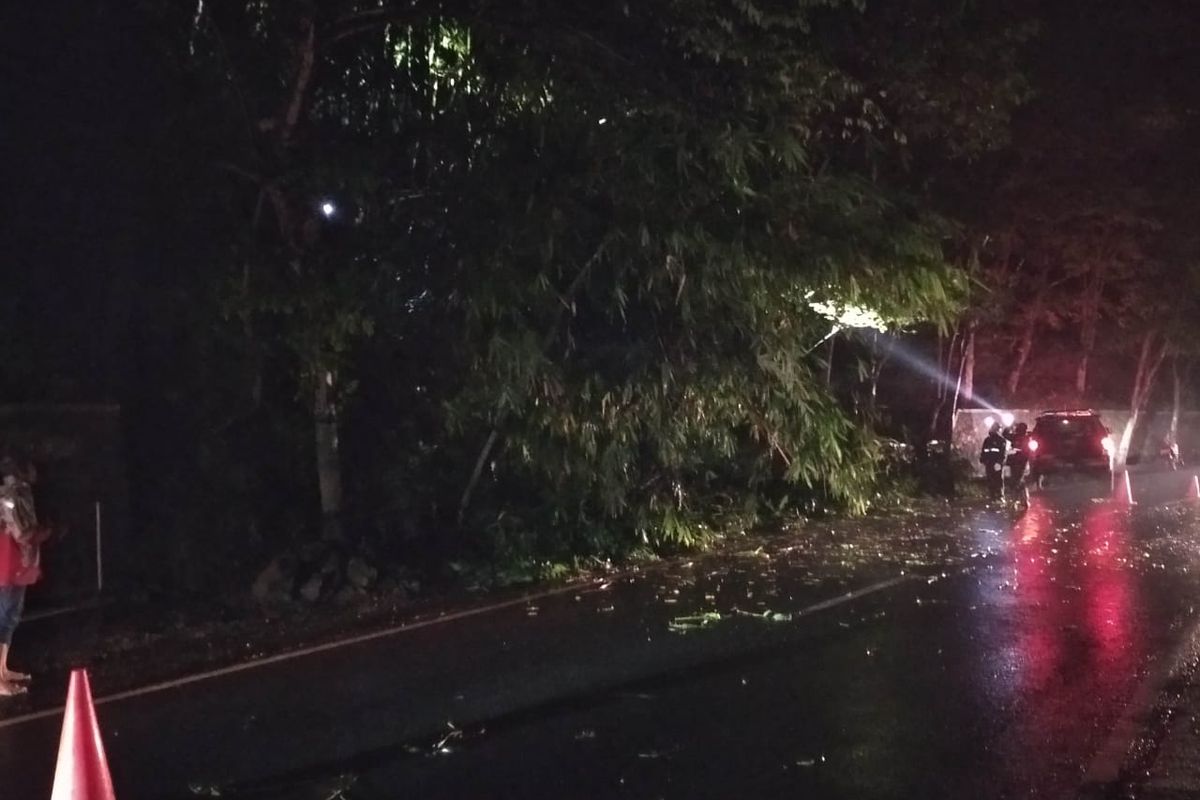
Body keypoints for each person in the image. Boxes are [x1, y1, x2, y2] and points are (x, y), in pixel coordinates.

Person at [0, 457, 47, 696]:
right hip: (10, 564)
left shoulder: (10, 495)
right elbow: (23, 533)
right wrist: (48, 532)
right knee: (5, 617)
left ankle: (2, 670)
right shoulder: (13, 496)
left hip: (12, 565)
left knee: (9, 617)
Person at [1004, 422, 1032, 506]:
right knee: (1017, 479)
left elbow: (1005, 434)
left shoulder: (1024, 438)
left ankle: (1021, 498)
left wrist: (1010, 425)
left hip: (1020, 461)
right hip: (1016, 461)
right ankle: (1020, 498)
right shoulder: (1018, 437)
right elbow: (1005, 435)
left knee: (1018, 479)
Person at [980, 422, 1007, 501]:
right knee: (991, 479)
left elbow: (1002, 453)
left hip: (996, 463)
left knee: (998, 479)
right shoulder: (988, 440)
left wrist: (999, 462)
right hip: (989, 462)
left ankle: (999, 496)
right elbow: (984, 450)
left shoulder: (1001, 440)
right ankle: (993, 496)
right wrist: (983, 459)